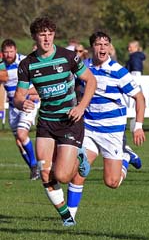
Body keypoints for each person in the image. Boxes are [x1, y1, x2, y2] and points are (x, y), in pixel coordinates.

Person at [14, 16, 96, 226]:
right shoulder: (27, 64)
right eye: (42, 34)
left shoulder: (68, 57)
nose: (47, 38)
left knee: (62, 175)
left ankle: (80, 157)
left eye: (50, 34)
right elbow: (18, 96)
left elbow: (90, 80)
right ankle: (66, 217)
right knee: (44, 171)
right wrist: (21, 102)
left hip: (70, 120)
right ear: (34, 37)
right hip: (46, 124)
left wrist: (81, 107)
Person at [65, 32, 147, 219]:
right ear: (92, 47)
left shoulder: (118, 71)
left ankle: (126, 156)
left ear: (110, 47)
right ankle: (69, 218)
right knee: (78, 172)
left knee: (112, 182)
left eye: (105, 44)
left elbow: (139, 98)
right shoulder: (84, 67)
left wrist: (138, 126)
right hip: (89, 129)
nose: (102, 48)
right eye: (98, 44)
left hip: (112, 132)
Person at [2, 38, 40, 179]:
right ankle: (34, 171)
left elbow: (38, 79)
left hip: (28, 103)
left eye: (11, 52)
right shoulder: (1, 67)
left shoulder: (24, 62)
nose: (9, 55)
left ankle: (35, 164)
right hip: (13, 107)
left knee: (22, 134)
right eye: (6, 52)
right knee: (19, 142)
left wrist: (35, 93)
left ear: (16, 51)